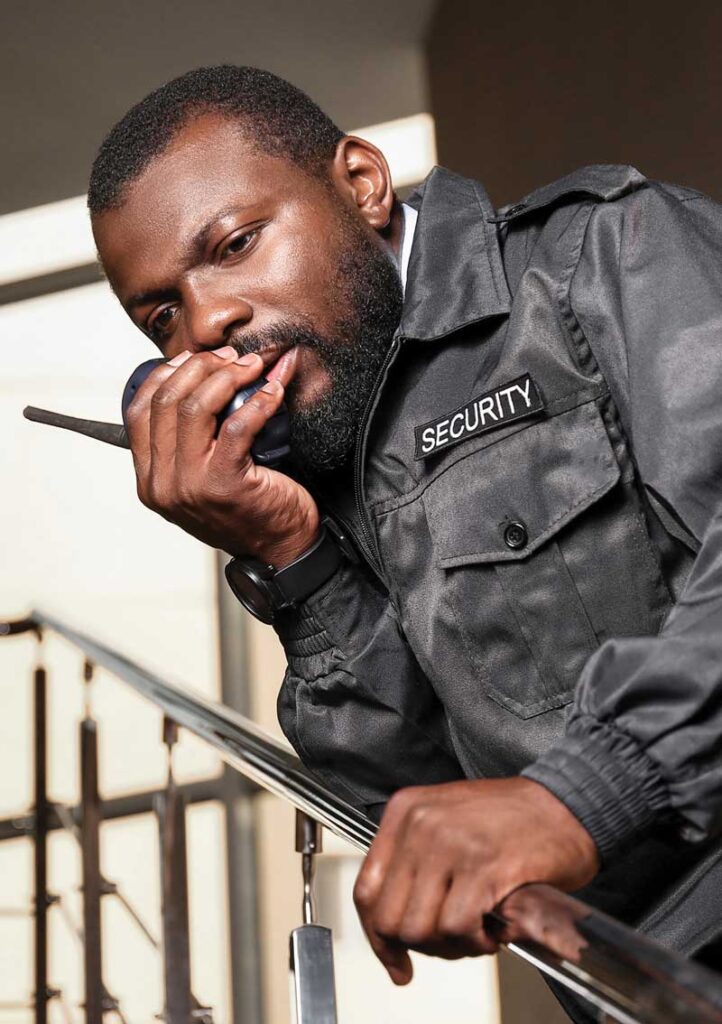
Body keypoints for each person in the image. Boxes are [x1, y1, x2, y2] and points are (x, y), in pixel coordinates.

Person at [88, 65, 722, 1016]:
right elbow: (414, 811)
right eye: (162, 315)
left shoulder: (605, 256)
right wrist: (294, 557)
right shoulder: (315, 454)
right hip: (637, 987)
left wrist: (588, 790)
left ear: (362, 184)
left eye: (235, 244)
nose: (208, 322)